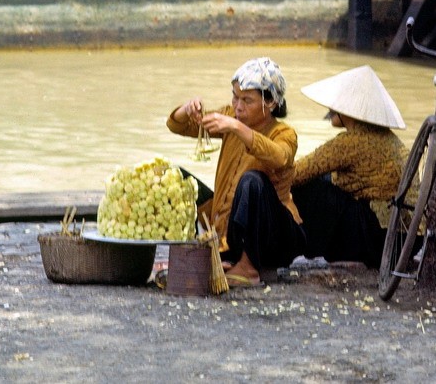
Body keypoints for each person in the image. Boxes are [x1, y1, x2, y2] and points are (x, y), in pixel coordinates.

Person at [167, 57, 306, 287]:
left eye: (247, 100)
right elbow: (178, 126)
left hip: (276, 237)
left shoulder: (284, 133)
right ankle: (204, 252)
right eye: (235, 96)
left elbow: (280, 157)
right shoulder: (231, 116)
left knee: (252, 181)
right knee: (175, 178)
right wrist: (187, 109)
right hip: (232, 234)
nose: (238, 106)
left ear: (270, 103)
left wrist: (237, 128)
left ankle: (249, 267)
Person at [292, 66, 408, 268]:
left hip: (381, 241)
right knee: (326, 179)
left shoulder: (352, 141)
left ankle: (317, 248)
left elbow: (297, 173)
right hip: (404, 242)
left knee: (311, 186)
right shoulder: (388, 137)